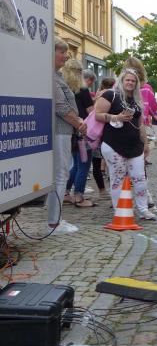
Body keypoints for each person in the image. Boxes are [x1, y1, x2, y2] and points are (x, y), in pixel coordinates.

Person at [93, 68, 154, 220]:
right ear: (122, 80)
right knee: (117, 179)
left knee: (140, 178)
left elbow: (140, 124)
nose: (130, 83)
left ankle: (143, 209)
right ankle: (119, 210)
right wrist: (116, 117)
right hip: (113, 144)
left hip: (135, 146)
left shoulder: (137, 100)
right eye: (127, 80)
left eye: (133, 81)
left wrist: (145, 144)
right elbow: (97, 115)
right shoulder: (111, 95)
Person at [47, 39, 86, 234]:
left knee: (60, 173)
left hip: (63, 130)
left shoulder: (57, 76)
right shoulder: (51, 77)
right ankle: (54, 223)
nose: (65, 55)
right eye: (61, 52)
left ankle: (54, 218)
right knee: (61, 175)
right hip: (59, 131)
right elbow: (61, 107)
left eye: (66, 52)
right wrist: (79, 123)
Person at [63, 60, 95, 208]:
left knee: (75, 164)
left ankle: (65, 193)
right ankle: (79, 196)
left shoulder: (63, 88)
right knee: (83, 164)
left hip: (68, 130)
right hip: (82, 130)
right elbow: (91, 112)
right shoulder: (82, 89)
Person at [122, 58, 157, 163]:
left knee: (121, 161)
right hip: (139, 127)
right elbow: (154, 108)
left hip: (121, 127)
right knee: (138, 160)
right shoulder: (147, 88)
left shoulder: (119, 86)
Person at [91, 77, 116, 195]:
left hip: (95, 132)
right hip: (107, 131)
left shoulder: (98, 94)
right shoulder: (111, 94)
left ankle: (102, 190)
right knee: (113, 162)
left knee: (96, 162)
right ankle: (112, 188)